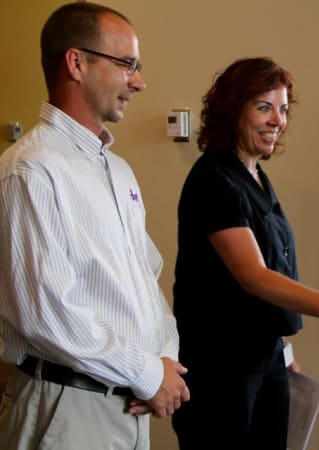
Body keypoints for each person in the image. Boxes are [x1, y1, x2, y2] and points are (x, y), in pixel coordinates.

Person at [171, 56, 319, 449]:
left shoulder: (255, 175)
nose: (277, 120)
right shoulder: (213, 179)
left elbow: (274, 265)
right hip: (222, 366)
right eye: (264, 107)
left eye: (283, 109)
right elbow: (254, 275)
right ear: (233, 111)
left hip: (263, 356)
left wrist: (281, 350)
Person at [0, 3, 189, 450]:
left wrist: (164, 358)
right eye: (127, 64)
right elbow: (44, 313)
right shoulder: (31, 170)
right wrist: (148, 373)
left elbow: (146, 278)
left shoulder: (118, 171)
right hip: (67, 407)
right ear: (76, 62)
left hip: (129, 402)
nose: (139, 82)